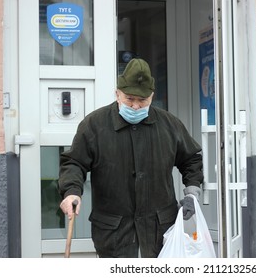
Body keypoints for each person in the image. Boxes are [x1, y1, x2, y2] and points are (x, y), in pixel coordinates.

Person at [58, 58, 204, 258]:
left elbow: (191, 160)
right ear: (117, 94)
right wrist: (71, 191)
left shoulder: (169, 125)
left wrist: (192, 193)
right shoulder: (94, 125)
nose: (135, 106)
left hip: (159, 230)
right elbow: (74, 162)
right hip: (113, 231)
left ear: (152, 96)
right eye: (129, 99)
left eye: (142, 100)